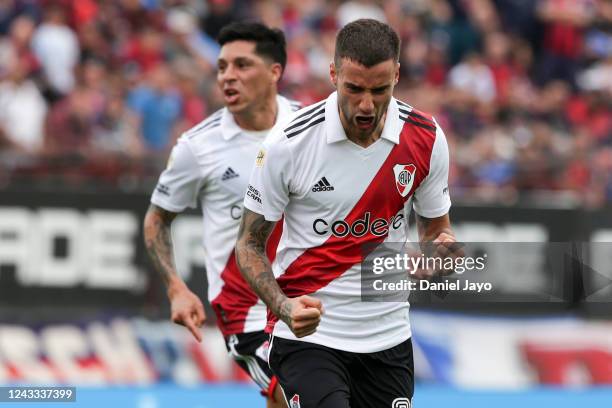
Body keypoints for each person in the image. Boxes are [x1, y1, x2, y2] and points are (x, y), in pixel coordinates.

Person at [236, 19, 457, 407]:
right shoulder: (289, 144)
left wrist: (443, 255)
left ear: (397, 76)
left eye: (380, 90)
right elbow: (249, 245)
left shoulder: (425, 139)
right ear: (334, 74)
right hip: (309, 338)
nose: (366, 105)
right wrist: (283, 306)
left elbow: (436, 233)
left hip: (388, 338)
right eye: (354, 89)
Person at [143, 22, 300, 408]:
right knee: (297, 390)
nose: (228, 76)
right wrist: (176, 288)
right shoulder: (198, 147)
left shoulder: (308, 128)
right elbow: (157, 219)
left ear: (275, 71)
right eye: (222, 66)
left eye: (242, 65)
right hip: (245, 308)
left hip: (308, 296)